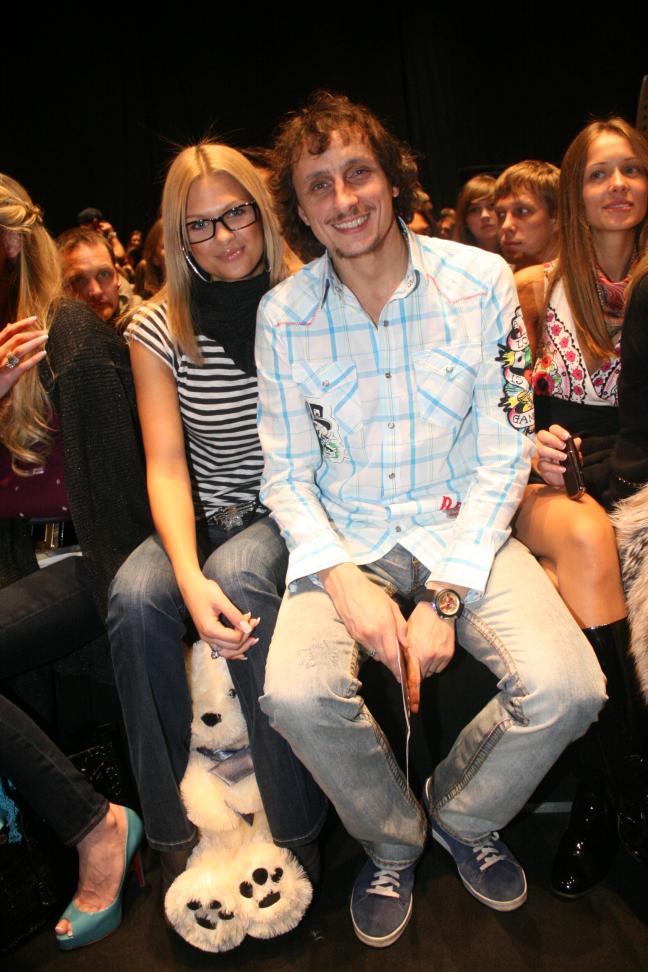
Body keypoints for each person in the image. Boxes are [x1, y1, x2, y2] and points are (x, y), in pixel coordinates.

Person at [255, 90, 606, 948]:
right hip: (345, 539)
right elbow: (286, 475)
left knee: (570, 688)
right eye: (319, 185)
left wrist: (446, 594)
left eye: (358, 173)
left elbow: (506, 443)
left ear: (391, 176)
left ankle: (461, 812)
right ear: (299, 208)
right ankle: (392, 839)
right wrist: (344, 583)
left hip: (463, 528)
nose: (344, 200)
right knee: (294, 693)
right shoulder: (283, 315)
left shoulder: (480, 281)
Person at [106, 142, 326, 908]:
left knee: (237, 575)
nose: (225, 236)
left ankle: (295, 835)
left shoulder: (310, 297)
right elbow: (167, 464)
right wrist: (186, 576)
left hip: (291, 509)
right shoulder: (156, 325)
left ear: (263, 211)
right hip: (204, 511)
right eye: (200, 225)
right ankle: (177, 841)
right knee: (135, 598)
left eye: (237, 213)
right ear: (178, 237)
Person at [513, 117, 648, 895]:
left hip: (637, 470)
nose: (618, 186)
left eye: (632, 169)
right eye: (600, 173)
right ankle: (615, 792)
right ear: (574, 191)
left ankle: (606, 791)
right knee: (593, 536)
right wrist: (529, 445)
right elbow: (499, 408)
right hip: (550, 477)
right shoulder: (533, 290)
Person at [0, 320, 144, 953]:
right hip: (19, 566)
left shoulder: (67, 335)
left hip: (89, 558)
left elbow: (123, 484)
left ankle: (96, 826)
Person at [57, 227, 136, 328]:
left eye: (104, 274)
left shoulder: (141, 324)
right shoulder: (50, 332)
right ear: (61, 288)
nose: (96, 292)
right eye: (79, 280)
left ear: (117, 276)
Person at [494, 160, 560, 269]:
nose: (506, 225)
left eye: (521, 211)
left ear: (557, 218)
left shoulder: (585, 277)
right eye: (501, 214)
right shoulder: (493, 275)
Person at [452, 173, 500, 252]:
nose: (485, 215)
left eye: (492, 205)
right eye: (475, 210)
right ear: (465, 220)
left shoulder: (520, 256)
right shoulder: (456, 257)